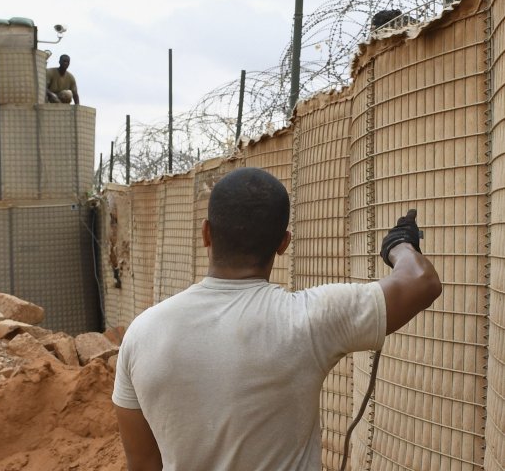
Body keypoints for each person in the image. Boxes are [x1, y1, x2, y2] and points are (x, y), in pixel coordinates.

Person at [112, 167, 441, 471]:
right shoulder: (308, 319)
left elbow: (143, 465)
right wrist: (398, 245)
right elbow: (421, 282)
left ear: (206, 234)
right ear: (283, 243)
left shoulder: (142, 334)